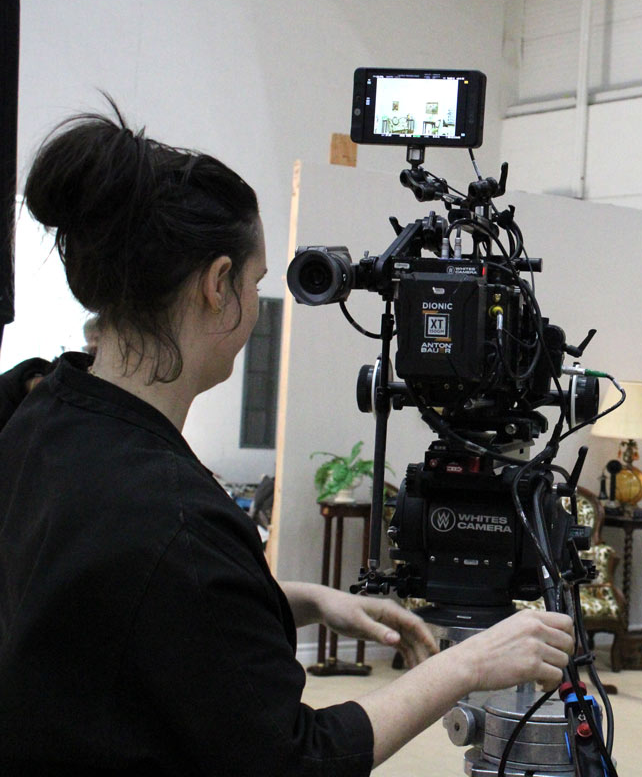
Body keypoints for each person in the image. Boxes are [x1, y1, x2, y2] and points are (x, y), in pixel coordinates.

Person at [0, 105, 575, 775]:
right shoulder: (175, 519)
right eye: (255, 282)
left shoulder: (37, 415)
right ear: (219, 285)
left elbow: (133, 606)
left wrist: (305, 599)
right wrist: (467, 665)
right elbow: (298, 760)